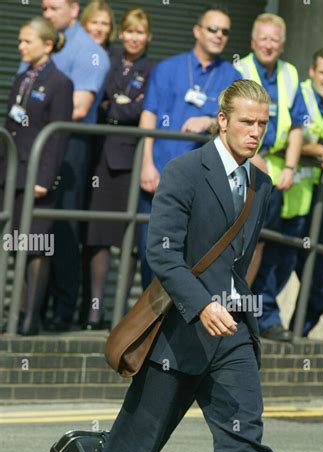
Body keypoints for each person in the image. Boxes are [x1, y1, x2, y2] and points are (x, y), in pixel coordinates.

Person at [78, 80, 300, 452]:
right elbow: (163, 254)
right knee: (137, 440)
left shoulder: (261, 185)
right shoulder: (183, 172)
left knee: (246, 444)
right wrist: (201, 304)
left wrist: (237, 307)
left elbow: (240, 261)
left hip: (232, 338)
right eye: (246, 121)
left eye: (263, 124)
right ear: (222, 120)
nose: (255, 132)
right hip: (179, 332)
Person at [137, 4, 241, 289]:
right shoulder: (168, 68)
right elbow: (149, 116)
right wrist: (145, 163)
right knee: (151, 251)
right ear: (197, 31)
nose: (219, 35)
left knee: (190, 257)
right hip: (158, 174)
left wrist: (209, 120)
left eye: (225, 32)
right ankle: (146, 324)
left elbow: (233, 124)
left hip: (202, 182)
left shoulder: (231, 76)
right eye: (213, 29)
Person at [37, 0, 110, 332]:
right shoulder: (47, 42)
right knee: (36, 228)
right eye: (44, 8)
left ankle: (63, 311)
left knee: (63, 229)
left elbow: (79, 108)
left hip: (69, 150)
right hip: (40, 144)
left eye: (53, 8)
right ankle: (35, 307)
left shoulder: (89, 52)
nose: (46, 13)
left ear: (73, 8)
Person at [235, 13, 306, 341]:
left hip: (277, 176)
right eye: (263, 38)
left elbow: (296, 126)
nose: (268, 45)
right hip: (242, 168)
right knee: (242, 241)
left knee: (265, 243)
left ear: (283, 44)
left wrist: (290, 167)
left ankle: (246, 310)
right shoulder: (239, 71)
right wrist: (251, 155)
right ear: (252, 42)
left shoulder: (290, 74)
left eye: (274, 40)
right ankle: (231, 305)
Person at [0, 17, 73, 335]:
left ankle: (31, 317)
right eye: (19, 41)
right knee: (14, 242)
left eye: (26, 41)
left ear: (46, 44)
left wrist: (46, 178)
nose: (20, 47)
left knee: (36, 245)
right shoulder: (21, 79)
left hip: (36, 176)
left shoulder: (60, 82)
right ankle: (14, 313)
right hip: (12, 172)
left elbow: (57, 137)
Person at [82, 8, 154, 329]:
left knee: (127, 239)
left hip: (130, 163)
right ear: (120, 33)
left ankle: (119, 315)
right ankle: (93, 312)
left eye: (140, 32)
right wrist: (120, 105)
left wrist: (119, 107)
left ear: (148, 37)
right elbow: (103, 99)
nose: (134, 37)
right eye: (129, 31)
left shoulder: (153, 69)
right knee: (97, 236)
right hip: (99, 160)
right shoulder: (106, 59)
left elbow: (141, 111)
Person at [281, 48, 323, 339]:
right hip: (283, 185)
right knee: (285, 257)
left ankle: (300, 329)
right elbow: (285, 139)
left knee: (311, 259)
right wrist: (316, 148)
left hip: (310, 196)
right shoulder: (299, 93)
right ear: (311, 72)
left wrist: (318, 150)